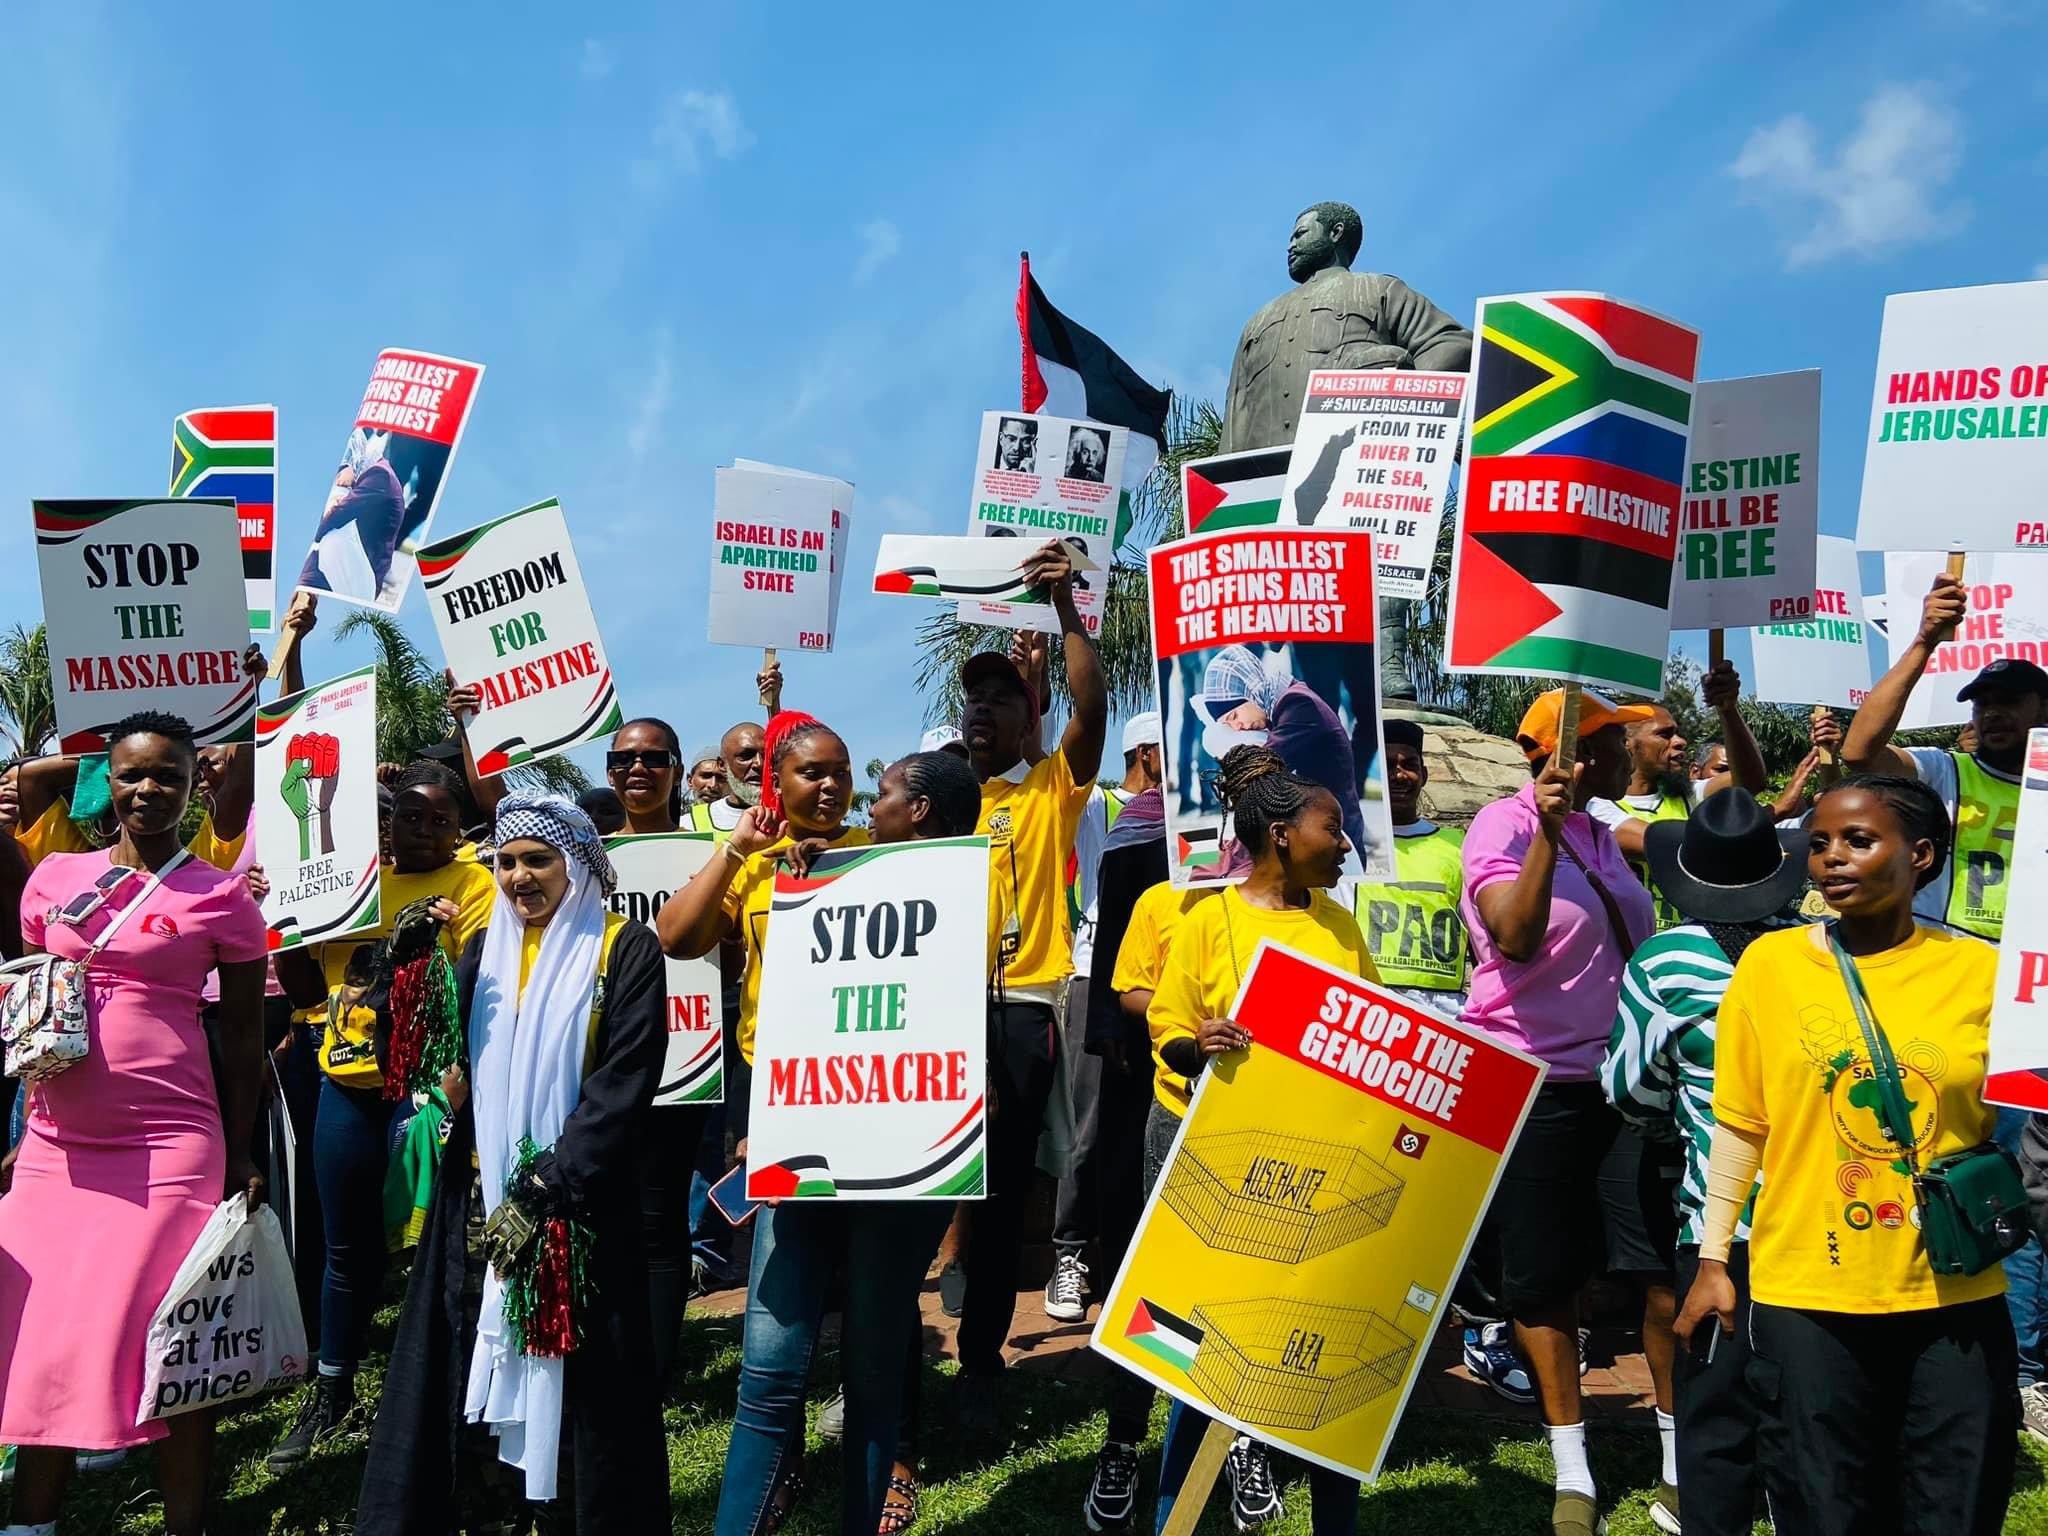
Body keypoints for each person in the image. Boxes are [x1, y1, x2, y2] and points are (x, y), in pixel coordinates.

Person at [1676, 775, 2015, 1536]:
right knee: (1825, 1504)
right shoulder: (1769, 968)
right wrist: (1712, 1259)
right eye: (1819, 841)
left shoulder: (1985, 975)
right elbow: (1740, 1124)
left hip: (1953, 1293)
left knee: (1954, 1503)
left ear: (1921, 855)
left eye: (1858, 840)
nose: (1830, 859)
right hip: (1807, 1296)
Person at [356, 795, 670, 1533]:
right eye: (505, 861)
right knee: (469, 1355)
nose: (520, 877)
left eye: (539, 860)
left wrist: (546, 1187)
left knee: (590, 1387)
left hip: (578, 1209)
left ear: (581, 867)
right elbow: (422, 1066)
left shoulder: (625, 949)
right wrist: (401, 978)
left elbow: (622, 1087)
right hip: (481, 1207)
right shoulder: (481, 953)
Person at [0, 711, 270, 1536]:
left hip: (172, 1147)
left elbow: (245, 1033)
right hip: (55, 1146)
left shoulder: (221, 895)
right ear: (106, 784)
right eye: (132, 776)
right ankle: (30, 1521)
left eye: (168, 777)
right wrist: (21, 1130)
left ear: (194, 788)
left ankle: (186, 1522)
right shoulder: (51, 883)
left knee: (170, 1339)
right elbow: (35, 1004)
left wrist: (243, 1147)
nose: (149, 790)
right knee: (43, 1330)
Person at [702, 749, 982, 1536]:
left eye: (882, 793)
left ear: (917, 812)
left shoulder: (965, 888)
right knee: (768, 1373)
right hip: (799, 1152)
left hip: (902, 1170)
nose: (865, 804)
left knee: (869, 1378)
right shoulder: (821, 874)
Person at [1141, 745, 1377, 1535]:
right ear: (1281, 834)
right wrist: (1196, 1043)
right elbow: (1165, 1025)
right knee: (1196, 1343)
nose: (1345, 843)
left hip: (1313, 1169)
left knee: (1314, 1350)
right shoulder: (1209, 921)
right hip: (1208, 1154)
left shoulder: (1342, 929)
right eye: (1331, 827)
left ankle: (1332, 1519)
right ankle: (1180, 1512)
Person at [1459, 688, 1656, 1536]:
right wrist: (1544, 831)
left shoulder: (1609, 836)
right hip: (1530, 1087)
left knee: (1653, 1267)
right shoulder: (1498, 828)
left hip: (1622, 1086)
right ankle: (1572, 1471)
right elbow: (1514, 936)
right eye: (1607, 741)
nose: (1622, 752)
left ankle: (1679, 1462)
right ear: (1559, 753)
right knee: (1541, 1283)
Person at [269, 760, 497, 1465]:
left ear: (461, 832)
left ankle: (442, 1394)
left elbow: (476, 987)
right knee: (346, 1250)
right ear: (388, 821)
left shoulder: (473, 885)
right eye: (410, 817)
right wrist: (289, 922)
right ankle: (332, 1390)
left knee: (433, 1246)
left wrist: (440, 938)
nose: (424, 831)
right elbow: (309, 985)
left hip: (423, 1093)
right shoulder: (353, 882)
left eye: (441, 821)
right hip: (346, 1087)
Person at [1603, 789, 1808, 1536]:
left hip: (1715, 1225)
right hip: (1816, 1223)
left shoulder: (1667, 962)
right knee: (1805, 1412)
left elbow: (1628, 1084)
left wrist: (1676, 1111)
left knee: (1715, 1409)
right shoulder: (1815, 950)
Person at [957, 539, 1107, 1426]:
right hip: (931, 1014)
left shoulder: (1051, 788)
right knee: (928, 1190)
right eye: (975, 697)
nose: (984, 709)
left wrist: (1063, 608)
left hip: (1018, 1011)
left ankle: (979, 1362)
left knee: (1004, 1184)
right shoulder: (930, 795)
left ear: (1029, 720)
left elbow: (1092, 704)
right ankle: (892, 1364)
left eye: (1002, 698)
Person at [595, 713, 721, 1392]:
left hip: (684, 1053)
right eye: (621, 762)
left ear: (677, 770)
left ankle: (653, 1371)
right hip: (605, 1059)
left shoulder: (712, 849)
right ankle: (613, 1351)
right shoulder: (585, 858)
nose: (636, 771)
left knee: (661, 1216)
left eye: (652, 759)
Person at [1842, 571, 2047, 940]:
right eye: (1982, 704)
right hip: (1941, 964)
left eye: (2009, 702)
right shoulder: (1944, 772)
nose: (1992, 714)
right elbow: (1859, 753)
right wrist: (1925, 641)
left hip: (2028, 978)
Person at [1048, 710, 1162, 1323]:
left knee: (1149, 1129)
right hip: (1099, 979)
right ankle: (1070, 1253)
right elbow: (1058, 765)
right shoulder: (1100, 807)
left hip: (1165, 984)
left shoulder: (1191, 817)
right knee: (1090, 1126)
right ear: (1144, 753)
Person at [1587, 659, 1767, 931]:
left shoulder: (1686, 795)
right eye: (1664, 734)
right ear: (1628, 744)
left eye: (1678, 733)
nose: (1680, 741)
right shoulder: (1597, 806)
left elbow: (1750, 781)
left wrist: (1728, 711)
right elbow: (1657, 842)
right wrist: (1762, 821)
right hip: (1628, 951)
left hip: (1684, 947)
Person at [1195, 644, 1369, 875]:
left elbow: (1258, 769)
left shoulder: (1299, 705)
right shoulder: (1283, 700)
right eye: (1230, 724)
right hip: (1307, 830)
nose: (1238, 726)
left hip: (1333, 844)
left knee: (1207, 860)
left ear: (1251, 691)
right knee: (1205, 854)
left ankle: (1194, 853)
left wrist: (1225, 759)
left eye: (1234, 715)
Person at [1351, 720, 1468, 1014]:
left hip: (1443, 1015)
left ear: (1424, 774)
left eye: (1409, 764)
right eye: (1387, 765)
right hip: (1365, 1008)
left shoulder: (1460, 846)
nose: (1399, 775)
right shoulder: (1346, 845)